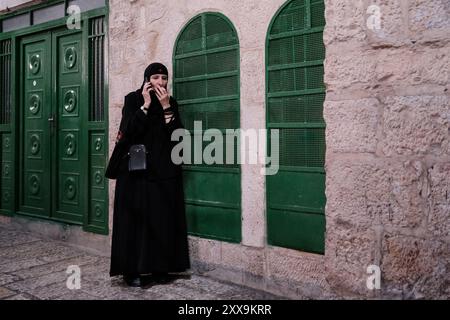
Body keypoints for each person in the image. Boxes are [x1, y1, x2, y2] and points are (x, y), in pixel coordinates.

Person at [105, 62, 190, 287]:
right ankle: (130, 271)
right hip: (135, 171)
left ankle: (160, 268)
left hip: (163, 171)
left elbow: (178, 137)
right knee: (134, 221)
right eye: (155, 77)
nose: (160, 82)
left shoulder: (171, 103)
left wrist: (165, 108)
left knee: (160, 220)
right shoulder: (132, 99)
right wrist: (145, 105)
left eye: (164, 78)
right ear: (146, 80)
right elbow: (129, 132)